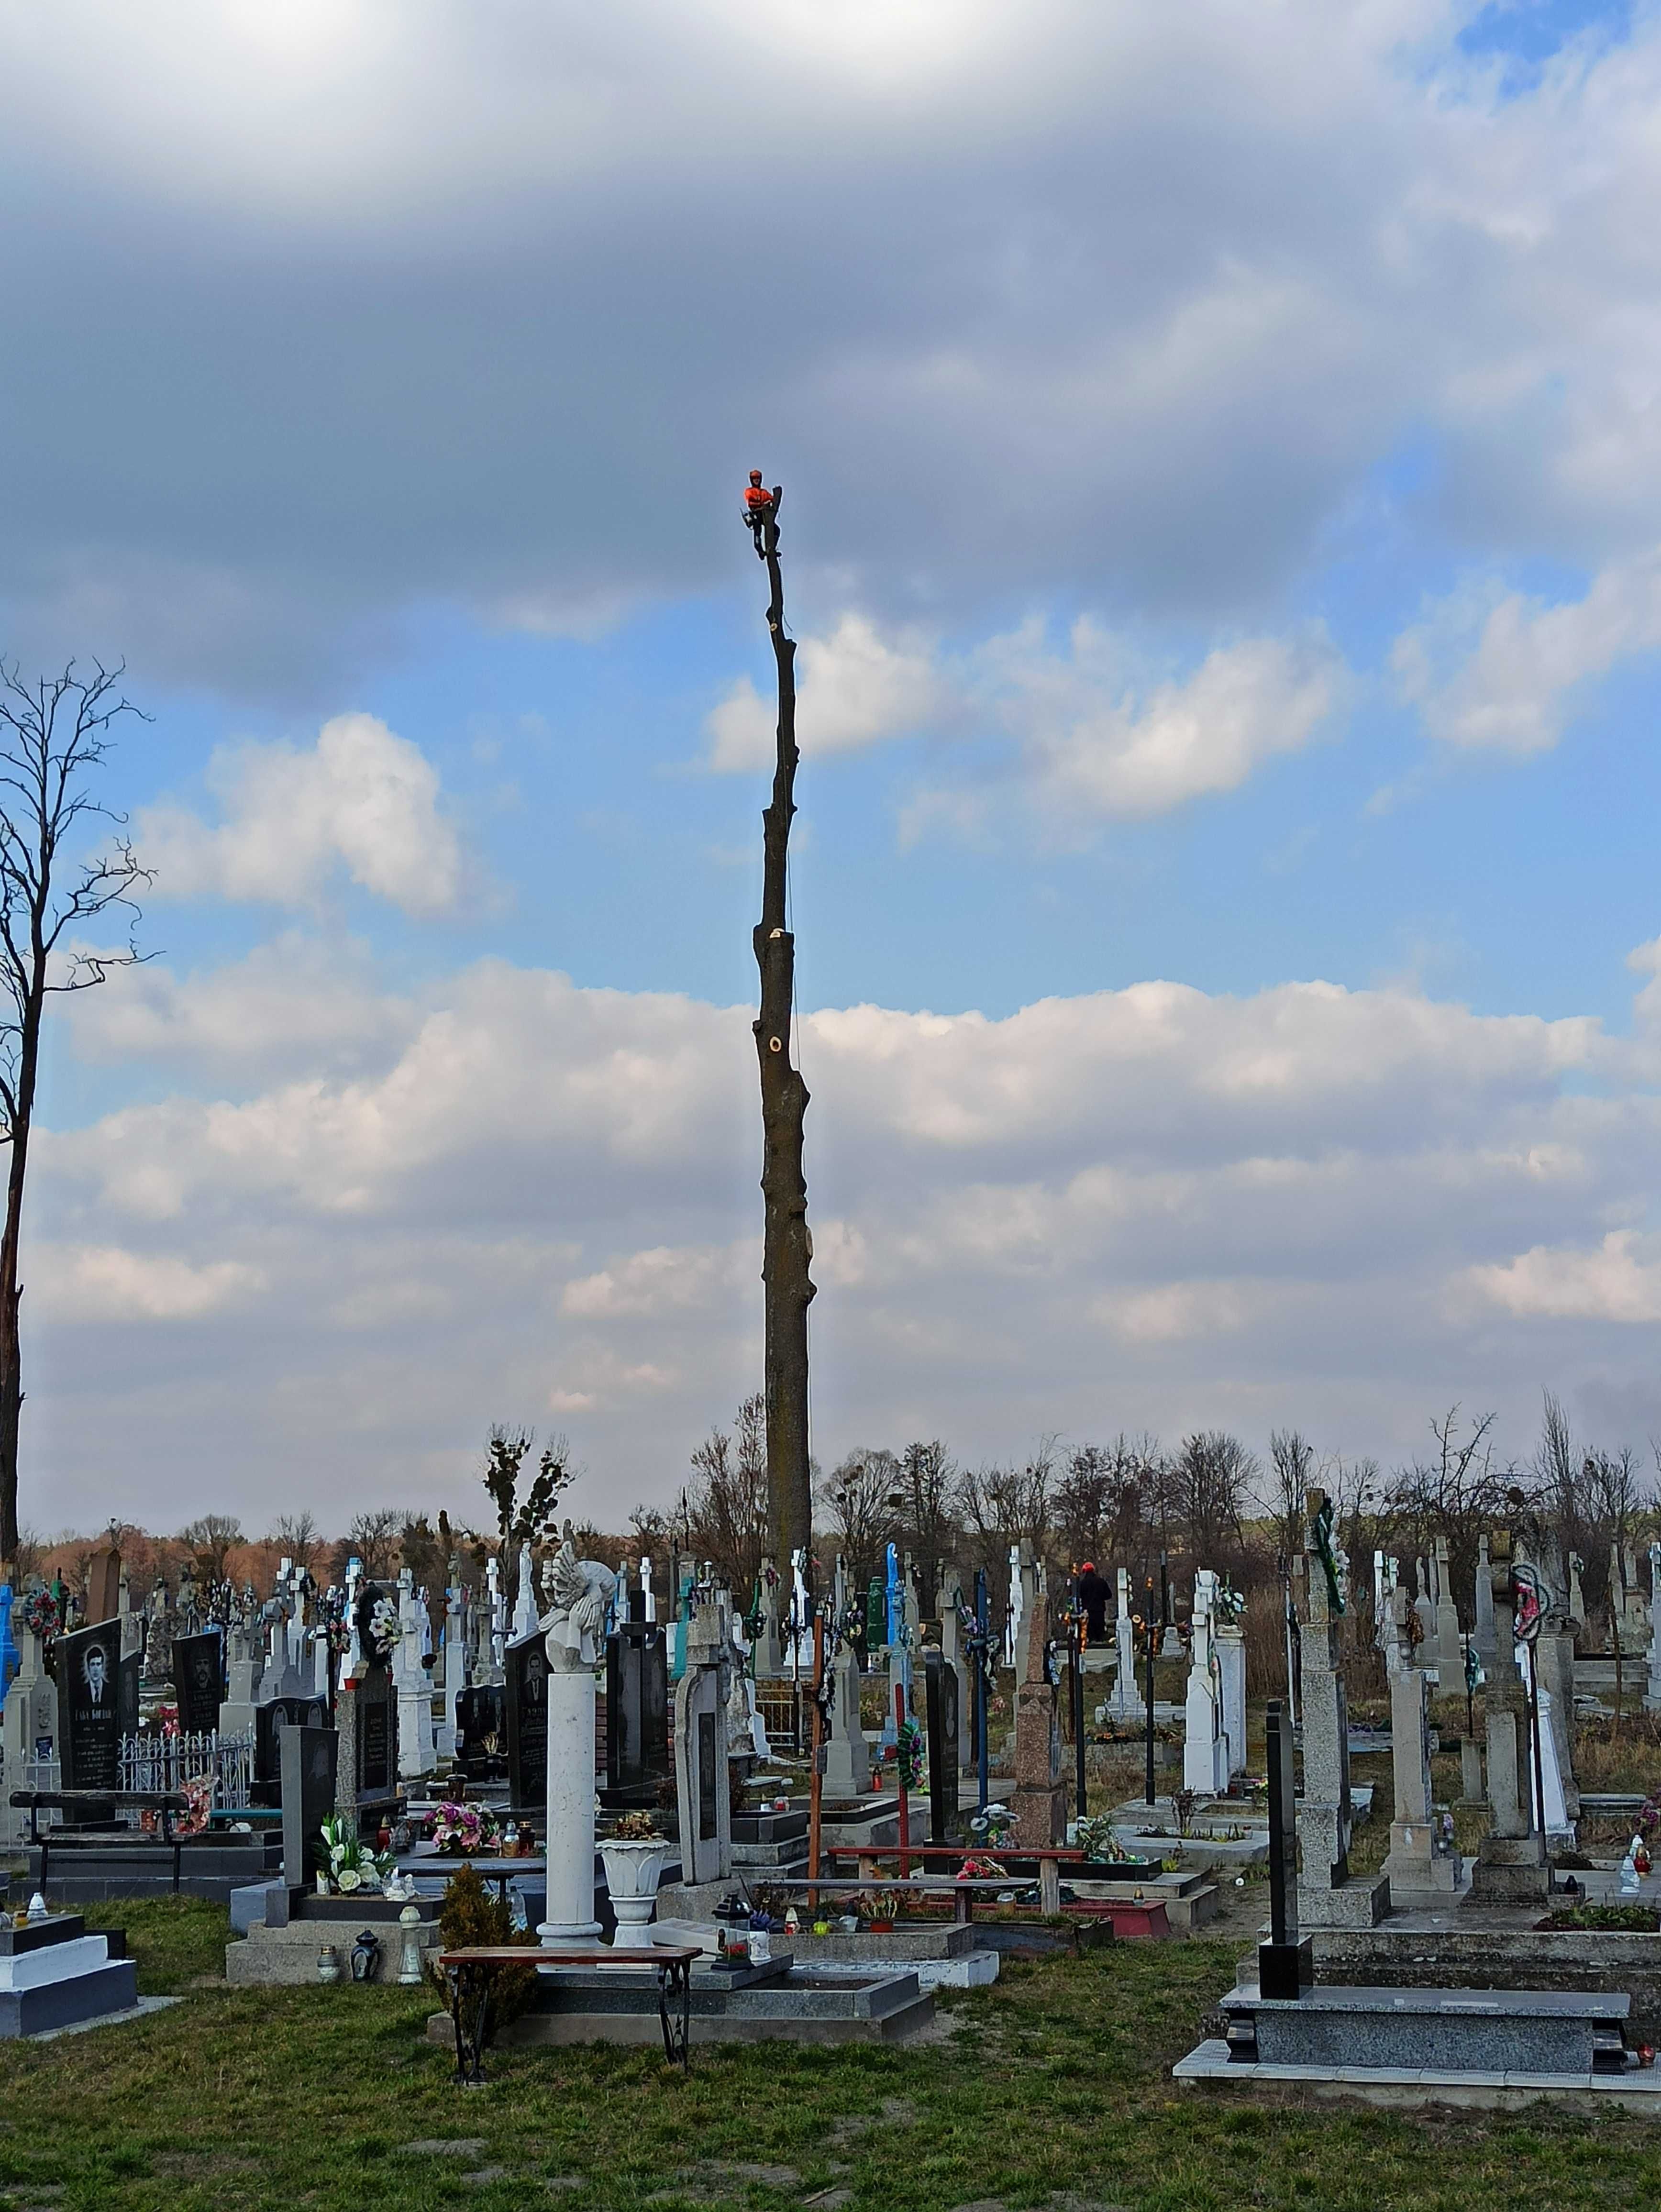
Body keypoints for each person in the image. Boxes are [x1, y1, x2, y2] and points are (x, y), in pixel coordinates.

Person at [742, 469, 777, 557]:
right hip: (756, 514)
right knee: (758, 531)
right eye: (754, 478)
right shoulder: (749, 491)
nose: (756, 480)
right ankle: (760, 550)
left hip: (765, 515)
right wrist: (762, 504)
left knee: (776, 530)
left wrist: (772, 501)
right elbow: (750, 503)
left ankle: (772, 548)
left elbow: (773, 500)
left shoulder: (764, 492)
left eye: (758, 478)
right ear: (751, 480)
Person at [1075, 1561, 1110, 1644]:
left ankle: (1092, 1642)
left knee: (1090, 1629)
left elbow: (1079, 1597)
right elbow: (1109, 1595)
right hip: (1100, 1610)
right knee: (1100, 1629)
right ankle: (1101, 1642)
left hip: (1088, 1611)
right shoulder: (1101, 1582)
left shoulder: (1082, 1584)